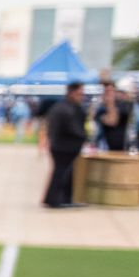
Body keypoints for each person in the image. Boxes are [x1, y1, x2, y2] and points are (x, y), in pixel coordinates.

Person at [43, 80, 91, 208]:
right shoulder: (68, 109)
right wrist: (85, 137)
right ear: (72, 92)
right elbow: (74, 128)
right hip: (64, 147)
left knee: (62, 172)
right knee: (61, 173)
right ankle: (56, 199)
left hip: (60, 146)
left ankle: (59, 198)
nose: (82, 96)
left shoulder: (62, 106)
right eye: (80, 93)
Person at [95, 76, 135, 151]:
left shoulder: (124, 105)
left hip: (123, 150)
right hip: (105, 150)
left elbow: (114, 121)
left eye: (110, 91)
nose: (107, 94)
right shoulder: (100, 109)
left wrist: (110, 103)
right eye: (105, 92)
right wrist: (109, 103)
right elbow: (110, 122)